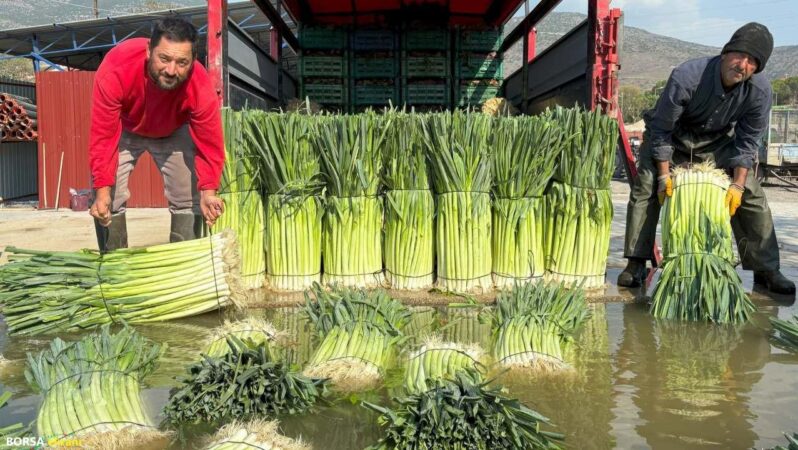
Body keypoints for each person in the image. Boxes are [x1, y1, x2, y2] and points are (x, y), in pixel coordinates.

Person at [619, 22, 795, 295]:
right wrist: (664, 176)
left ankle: (766, 269)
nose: (743, 65)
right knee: (646, 186)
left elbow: (747, 143)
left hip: (716, 142)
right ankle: (636, 263)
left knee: (752, 195)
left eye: (752, 62)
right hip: (671, 137)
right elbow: (662, 130)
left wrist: (737, 185)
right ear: (725, 53)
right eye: (740, 55)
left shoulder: (759, 92)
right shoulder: (688, 76)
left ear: (757, 69)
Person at [88, 17, 225, 252]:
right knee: (108, 196)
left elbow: (210, 142)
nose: (171, 70)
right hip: (127, 127)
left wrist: (209, 191)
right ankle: (113, 265)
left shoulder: (199, 84)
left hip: (173, 129)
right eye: (164, 59)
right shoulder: (116, 67)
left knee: (188, 197)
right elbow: (103, 136)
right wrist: (101, 191)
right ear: (149, 50)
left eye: (182, 62)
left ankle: (184, 264)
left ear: (193, 60)